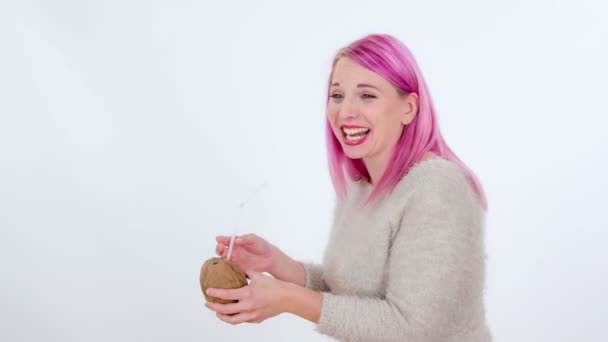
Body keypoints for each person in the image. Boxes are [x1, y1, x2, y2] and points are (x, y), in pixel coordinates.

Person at [204, 33, 492, 342]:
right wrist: (277, 264)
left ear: (409, 108)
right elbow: (349, 295)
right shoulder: (361, 186)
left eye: (367, 95)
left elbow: (413, 328)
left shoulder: (437, 189)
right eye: (337, 95)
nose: (345, 112)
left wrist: (288, 299)